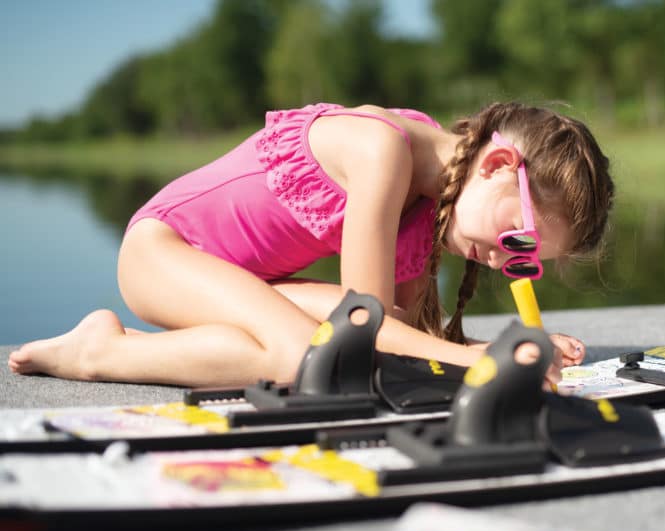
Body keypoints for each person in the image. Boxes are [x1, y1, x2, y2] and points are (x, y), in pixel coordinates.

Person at [8, 102, 614, 389]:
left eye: (527, 263)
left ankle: (123, 346)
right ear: (499, 165)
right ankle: (97, 355)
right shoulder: (383, 152)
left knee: (327, 349)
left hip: (246, 287)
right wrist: (485, 362)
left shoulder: (433, 202)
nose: (510, 265)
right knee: (308, 355)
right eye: (520, 242)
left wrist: (502, 346)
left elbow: (402, 328)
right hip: (164, 252)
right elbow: (367, 325)